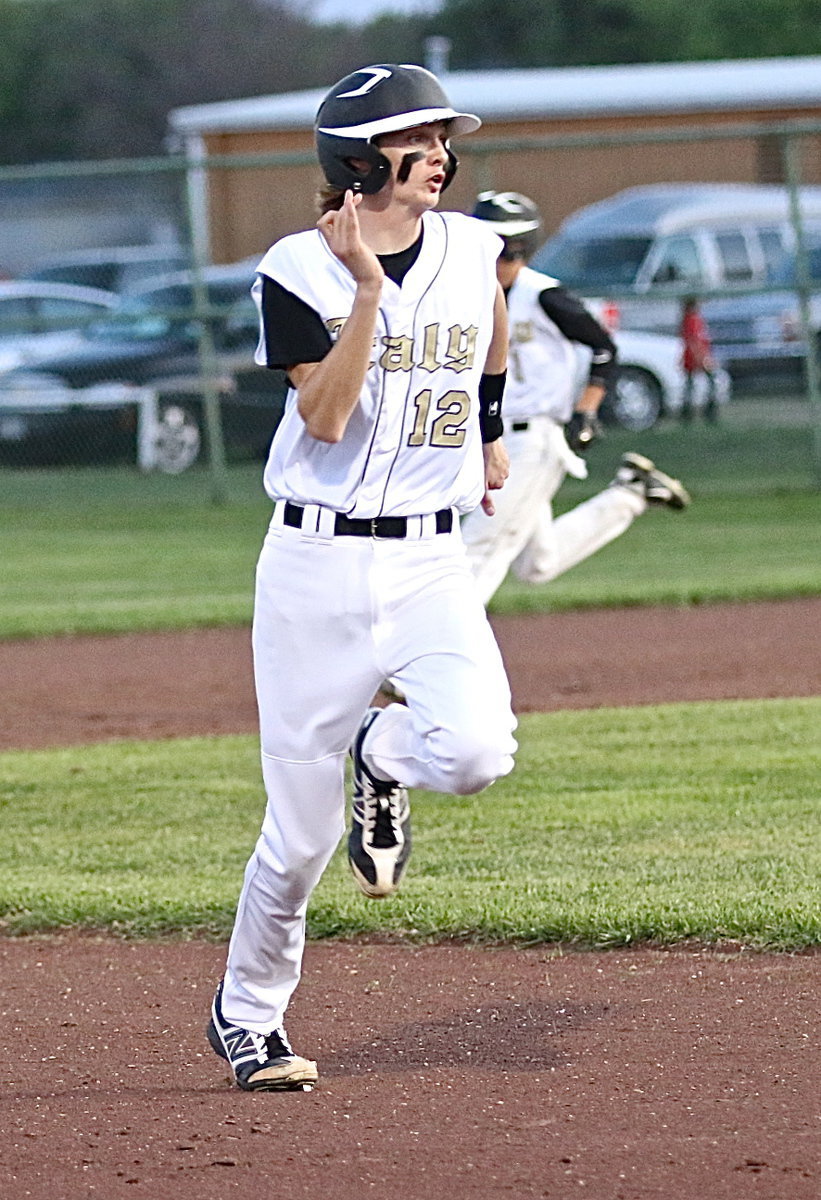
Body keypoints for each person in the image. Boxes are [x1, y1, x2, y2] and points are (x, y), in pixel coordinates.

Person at [205, 64, 517, 1093]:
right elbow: (327, 416)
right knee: (301, 839)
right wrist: (369, 293)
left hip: (429, 557)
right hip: (315, 563)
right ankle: (249, 1017)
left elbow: (489, 334)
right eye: (415, 140)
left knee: (473, 751)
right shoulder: (298, 267)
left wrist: (489, 430)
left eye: (442, 139)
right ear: (356, 160)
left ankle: (381, 752)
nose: (439, 156)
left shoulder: (473, 247)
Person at [459, 191, 691, 609]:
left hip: (532, 438)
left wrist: (586, 410)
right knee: (537, 563)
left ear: (515, 247)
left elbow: (604, 347)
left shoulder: (543, 295)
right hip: (494, 438)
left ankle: (448, 642)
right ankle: (631, 494)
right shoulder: (473, 295)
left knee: (480, 545)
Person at [680, 295, 719, 422]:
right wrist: (701, 357)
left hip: (696, 355)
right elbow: (693, 340)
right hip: (696, 357)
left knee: (691, 384)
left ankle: (689, 412)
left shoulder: (693, 319)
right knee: (708, 383)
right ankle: (705, 412)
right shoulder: (691, 319)